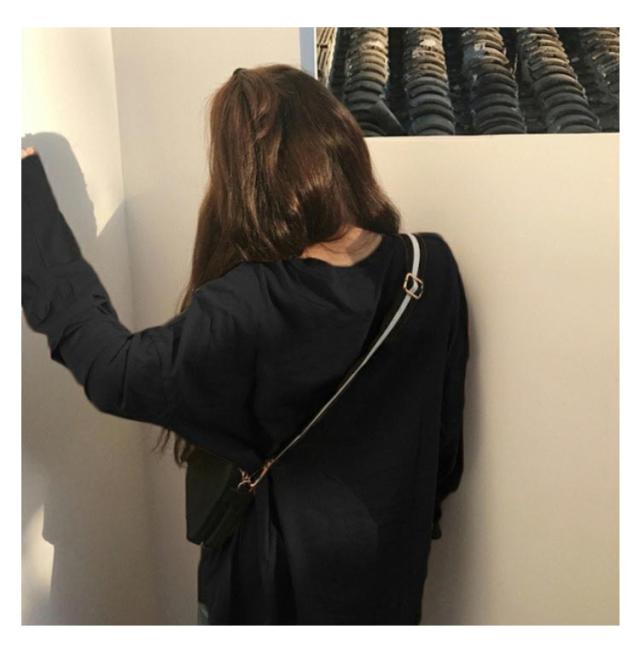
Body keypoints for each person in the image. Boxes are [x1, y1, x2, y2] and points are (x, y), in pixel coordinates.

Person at [21, 63, 469, 625]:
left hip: (273, 591)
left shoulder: (249, 303)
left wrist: (27, 209)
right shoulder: (429, 268)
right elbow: (444, 448)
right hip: (389, 577)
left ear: (243, 176)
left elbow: (116, 372)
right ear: (341, 142)